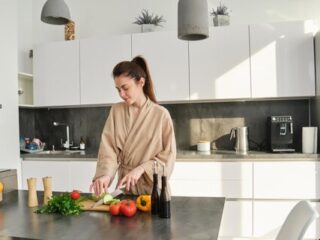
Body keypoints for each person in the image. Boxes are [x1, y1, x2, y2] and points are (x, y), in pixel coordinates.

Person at [90, 56, 176, 196]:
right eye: (118, 90)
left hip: (153, 192)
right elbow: (109, 150)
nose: (121, 94)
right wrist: (105, 175)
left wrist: (141, 169)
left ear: (141, 82)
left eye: (125, 88)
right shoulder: (116, 111)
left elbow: (168, 157)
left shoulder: (161, 115)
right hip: (125, 190)